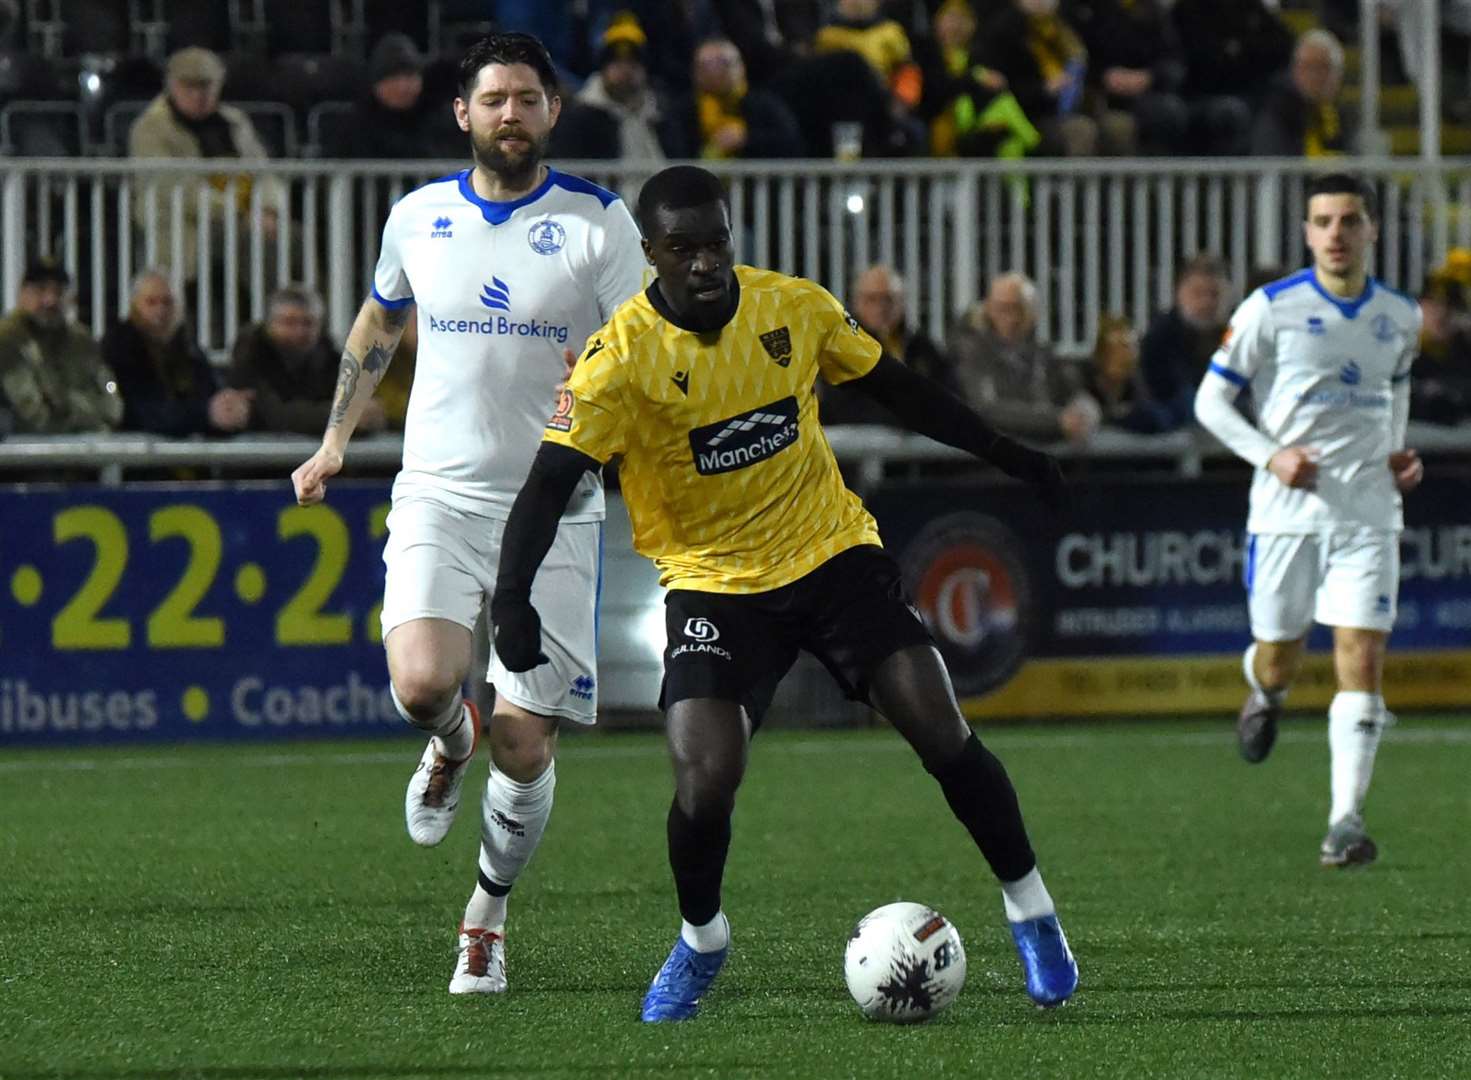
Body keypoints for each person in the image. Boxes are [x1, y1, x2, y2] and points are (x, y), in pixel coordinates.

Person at [489, 164, 1079, 1022]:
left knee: (940, 726)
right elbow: (548, 482)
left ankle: (1032, 912)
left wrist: (1008, 454)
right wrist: (512, 599)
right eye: (681, 248)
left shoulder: (791, 308)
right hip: (713, 583)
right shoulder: (617, 363)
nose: (703, 262)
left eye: (715, 241)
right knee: (703, 778)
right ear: (650, 254)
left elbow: (897, 388)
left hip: (831, 552)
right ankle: (700, 940)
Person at [290, 32, 647, 995]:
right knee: (419, 685)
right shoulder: (417, 217)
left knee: (526, 744)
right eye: (494, 99)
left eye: (528, 99)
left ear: (552, 113)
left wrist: (612, 382)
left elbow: (644, 347)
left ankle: (484, 918)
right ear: (463, 113)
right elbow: (379, 322)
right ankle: (450, 743)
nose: (511, 115)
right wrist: (334, 441)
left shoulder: (597, 224)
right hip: (439, 492)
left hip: (556, 504)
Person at [1192, 173, 1422, 868]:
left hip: (1367, 513)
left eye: (1348, 220)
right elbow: (1210, 403)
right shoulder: (1271, 308)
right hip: (1286, 517)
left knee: (1361, 656)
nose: (1335, 234)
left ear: (1370, 230)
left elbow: (1394, 390)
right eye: (1322, 221)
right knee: (1280, 655)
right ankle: (1263, 690)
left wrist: (1395, 456)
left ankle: (1343, 822)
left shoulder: (1400, 316)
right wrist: (1270, 457)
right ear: (1306, 232)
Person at [948, 272, 1099, 444]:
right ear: (989, 309)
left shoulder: (1043, 354)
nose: (1012, 318)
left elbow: (1077, 393)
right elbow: (987, 409)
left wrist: (1084, 414)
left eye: (1019, 308)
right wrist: (1056, 421)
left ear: (1033, 313)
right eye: (1003, 308)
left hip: (1049, 453)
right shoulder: (972, 352)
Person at [104, 269, 253, 436]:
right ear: (134, 306)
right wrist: (205, 413)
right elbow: (139, 411)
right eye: (151, 302)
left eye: (167, 302)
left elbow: (208, 391)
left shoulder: (188, 348)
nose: (160, 310)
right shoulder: (119, 350)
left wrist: (228, 407)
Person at [228, 285, 370, 436]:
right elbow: (272, 415)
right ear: (269, 325)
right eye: (289, 322)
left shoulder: (328, 355)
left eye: (308, 323)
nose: (299, 332)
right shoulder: (251, 352)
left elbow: (360, 408)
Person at [0, 259, 122, 434]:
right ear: (22, 294)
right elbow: (30, 409)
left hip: (89, 444)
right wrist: (86, 415)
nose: (50, 300)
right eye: (40, 290)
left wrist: (109, 412)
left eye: (58, 292)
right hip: (30, 451)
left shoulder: (82, 340)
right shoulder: (8, 339)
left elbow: (108, 385)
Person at [325, 33, 463, 160]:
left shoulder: (441, 120)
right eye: (393, 78)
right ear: (375, 85)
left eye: (409, 76)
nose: (403, 87)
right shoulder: (354, 129)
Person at [1139, 254, 1231, 430]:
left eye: (1214, 294)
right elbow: (1164, 391)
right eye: (1197, 293)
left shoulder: (1237, 333)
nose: (1206, 303)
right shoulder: (1161, 335)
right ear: (1179, 293)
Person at [1250, 30, 1352, 158]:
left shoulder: (1345, 115)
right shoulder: (1277, 113)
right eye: (1307, 66)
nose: (1315, 76)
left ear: (1339, 73)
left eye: (1323, 67)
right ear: (1294, 70)